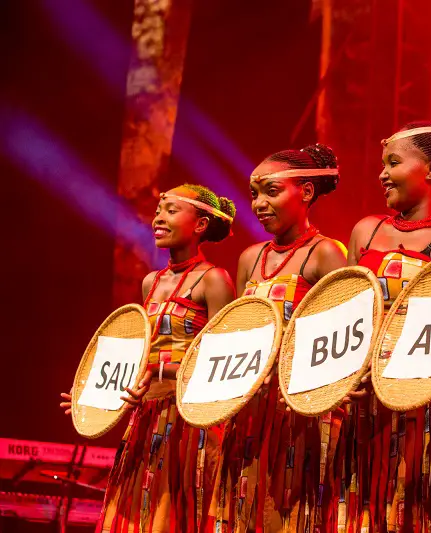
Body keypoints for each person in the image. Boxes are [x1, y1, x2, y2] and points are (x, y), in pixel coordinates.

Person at [61, 184, 237, 532]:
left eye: (172, 210)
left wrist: (161, 371)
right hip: (148, 417)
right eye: (159, 210)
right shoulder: (150, 283)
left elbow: (225, 361)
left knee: (175, 513)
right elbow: (139, 356)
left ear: (200, 225)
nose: (159, 217)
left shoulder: (213, 280)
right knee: (135, 513)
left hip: (189, 419)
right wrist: (97, 397)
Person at [340, 118, 431, 531]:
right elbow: (348, 314)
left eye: (394, 163)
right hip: (365, 397)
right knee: (363, 507)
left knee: (417, 508)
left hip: (426, 398)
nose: (382, 173)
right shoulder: (367, 230)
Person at [208, 144, 347, 533]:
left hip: (299, 410)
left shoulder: (326, 254)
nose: (258, 203)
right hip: (252, 410)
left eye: (271, 191)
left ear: (305, 192)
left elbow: (342, 340)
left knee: (292, 515)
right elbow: (236, 334)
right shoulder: (249, 258)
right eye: (254, 193)